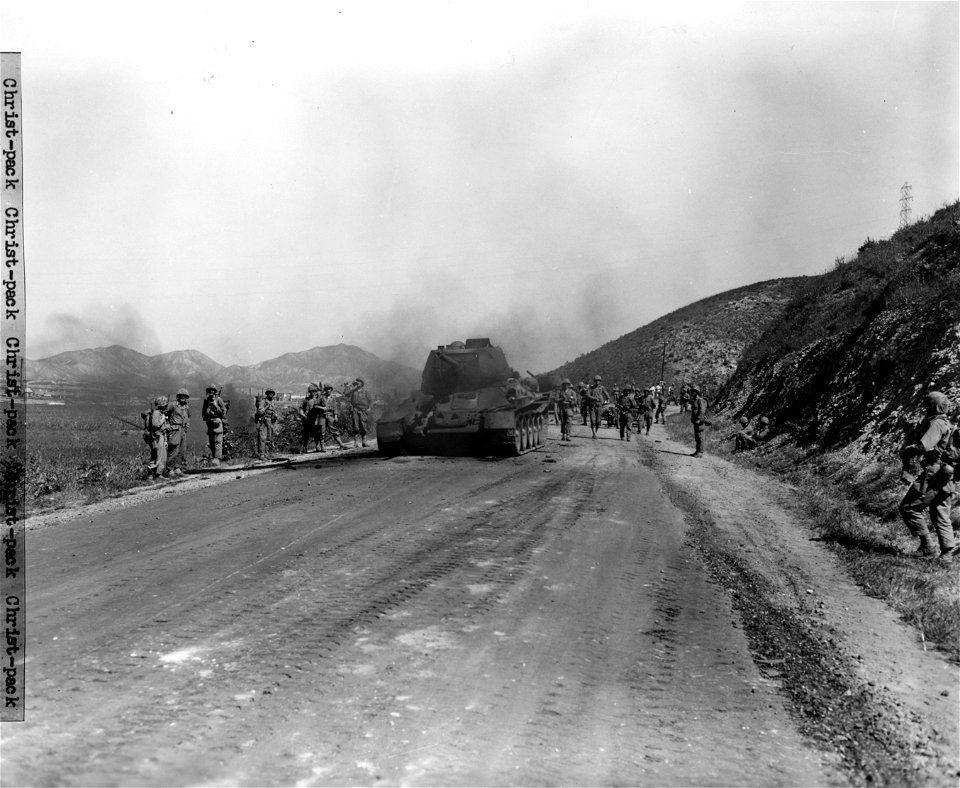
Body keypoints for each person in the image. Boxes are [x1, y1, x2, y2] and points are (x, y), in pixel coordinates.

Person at [897, 391, 958, 563]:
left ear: (933, 406)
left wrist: (908, 449)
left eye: (927, 404)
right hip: (948, 474)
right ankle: (947, 554)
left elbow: (924, 446)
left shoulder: (937, 423)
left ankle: (927, 547)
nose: (925, 408)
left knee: (908, 507)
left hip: (934, 472)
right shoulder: (947, 423)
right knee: (940, 512)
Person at [165, 388, 191, 474]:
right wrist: (167, 423)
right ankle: (170, 469)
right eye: (181, 396)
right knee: (173, 449)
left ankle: (177, 468)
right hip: (174, 430)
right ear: (178, 397)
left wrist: (187, 424)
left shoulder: (186, 407)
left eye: (185, 396)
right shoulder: (173, 405)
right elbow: (164, 413)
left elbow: (188, 416)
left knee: (182, 450)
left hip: (183, 430)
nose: (183, 398)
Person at [142, 395, 169, 479]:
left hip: (160, 436)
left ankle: (158, 474)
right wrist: (163, 419)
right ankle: (150, 475)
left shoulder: (159, 413)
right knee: (156, 456)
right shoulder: (157, 413)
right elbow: (155, 425)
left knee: (162, 456)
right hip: (157, 437)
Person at [201, 384, 228, 466]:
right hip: (210, 423)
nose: (211, 392)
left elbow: (224, 413)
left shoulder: (219, 400)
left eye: (213, 390)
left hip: (217, 422)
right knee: (211, 442)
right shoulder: (206, 400)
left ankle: (217, 458)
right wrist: (208, 412)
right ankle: (214, 458)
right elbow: (203, 413)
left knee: (218, 441)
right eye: (209, 390)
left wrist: (216, 407)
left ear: (215, 392)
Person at [346, 377, 372, 447]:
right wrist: (350, 386)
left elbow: (370, 401)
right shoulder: (353, 391)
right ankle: (356, 443)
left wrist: (369, 408)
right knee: (355, 426)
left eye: (359, 382)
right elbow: (346, 394)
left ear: (362, 383)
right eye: (357, 381)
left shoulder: (366, 392)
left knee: (363, 426)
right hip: (355, 410)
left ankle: (364, 442)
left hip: (363, 410)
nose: (358, 383)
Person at [254, 388, 280, 459]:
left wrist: (275, 416)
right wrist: (266, 407)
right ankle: (262, 454)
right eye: (269, 393)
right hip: (263, 421)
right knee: (263, 438)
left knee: (269, 438)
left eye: (272, 393)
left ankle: (266, 453)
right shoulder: (263, 402)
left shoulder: (273, 402)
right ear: (267, 394)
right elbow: (260, 412)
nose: (271, 394)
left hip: (270, 422)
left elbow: (275, 411)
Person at [320, 384, 348, 449]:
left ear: (331, 390)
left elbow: (335, 407)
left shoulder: (333, 398)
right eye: (327, 389)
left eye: (329, 389)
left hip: (330, 415)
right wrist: (322, 408)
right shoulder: (321, 397)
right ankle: (321, 447)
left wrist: (335, 416)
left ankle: (341, 444)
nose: (328, 390)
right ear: (325, 390)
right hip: (322, 415)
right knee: (321, 431)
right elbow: (315, 405)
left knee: (334, 429)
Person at [299, 383, 324, 452]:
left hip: (316, 419)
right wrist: (303, 415)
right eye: (311, 391)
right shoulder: (305, 400)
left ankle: (317, 446)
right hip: (307, 419)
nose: (312, 393)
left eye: (314, 391)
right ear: (309, 392)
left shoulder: (318, 400)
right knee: (306, 434)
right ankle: (305, 447)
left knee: (317, 433)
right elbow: (300, 409)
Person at [689, 384, 709, 457]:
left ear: (697, 392)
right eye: (692, 391)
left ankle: (700, 452)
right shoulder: (695, 400)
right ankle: (697, 451)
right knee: (697, 436)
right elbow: (694, 411)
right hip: (695, 421)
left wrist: (699, 420)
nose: (692, 393)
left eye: (694, 391)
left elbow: (702, 411)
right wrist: (692, 418)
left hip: (700, 421)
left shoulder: (700, 400)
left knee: (701, 436)